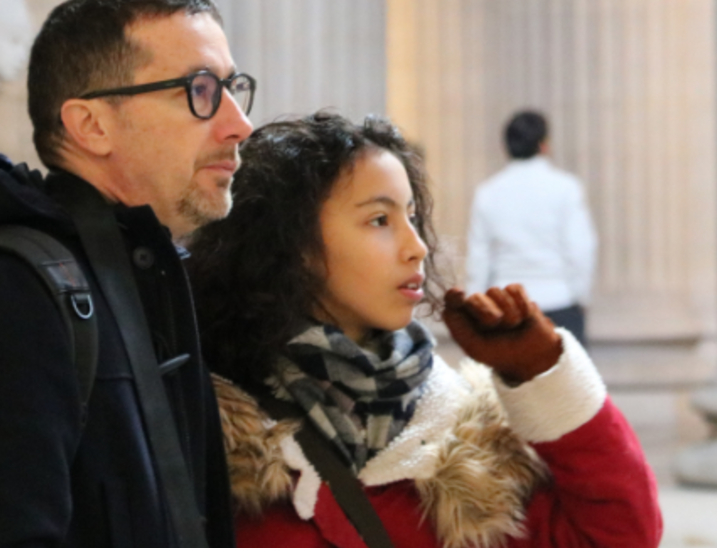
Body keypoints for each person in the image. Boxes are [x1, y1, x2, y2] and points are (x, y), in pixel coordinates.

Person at [187, 111, 661, 548]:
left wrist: (544, 373)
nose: (417, 248)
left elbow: (621, 535)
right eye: (379, 220)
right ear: (292, 244)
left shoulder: (464, 447)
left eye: (412, 217)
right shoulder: (212, 433)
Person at [0, 0, 253, 547]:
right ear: (91, 125)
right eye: (201, 91)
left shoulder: (144, 273)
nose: (239, 124)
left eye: (233, 88)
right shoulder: (1, 293)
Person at [465, 110, 597, 346]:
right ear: (544, 145)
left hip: (507, 305)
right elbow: (581, 250)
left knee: (508, 383)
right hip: (560, 301)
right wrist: (580, 296)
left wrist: (477, 305)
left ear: (505, 147)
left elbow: (479, 258)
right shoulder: (566, 188)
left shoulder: (487, 193)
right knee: (566, 383)